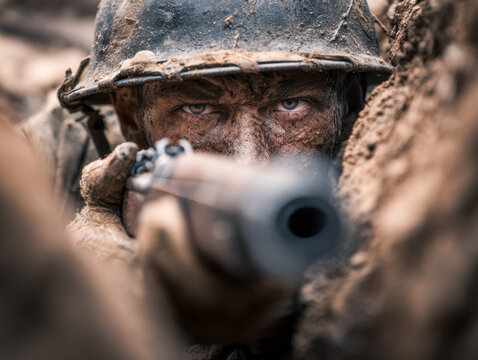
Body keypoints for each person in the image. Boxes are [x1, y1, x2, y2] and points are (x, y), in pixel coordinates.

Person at [22, 0, 392, 358]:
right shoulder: (43, 161)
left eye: (291, 105)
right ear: (129, 113)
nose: (249, 161)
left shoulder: (392, 174)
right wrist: (77, 286)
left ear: (350, 102)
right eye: (198, 109)